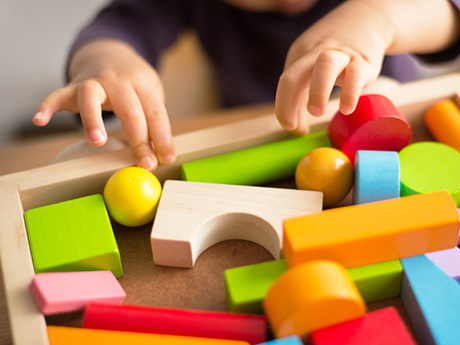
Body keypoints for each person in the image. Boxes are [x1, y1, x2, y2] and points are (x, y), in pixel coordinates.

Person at [33, 0, 460, 171]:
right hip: (252, 123)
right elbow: (121, 24)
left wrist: (380, 18)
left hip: (387, 122)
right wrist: (106, 62)